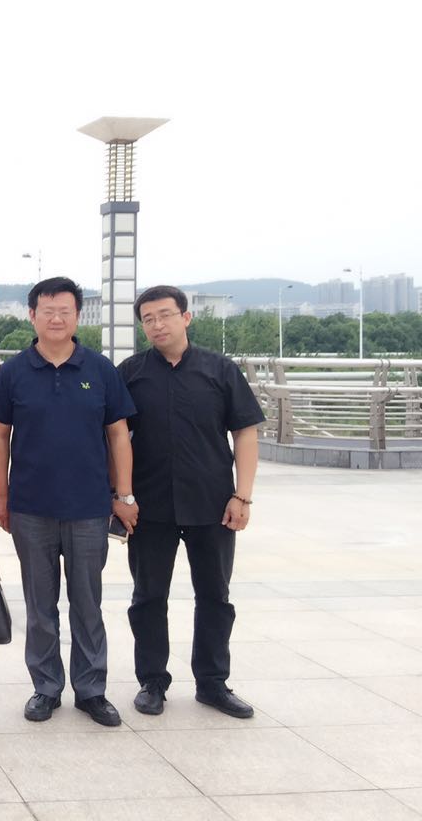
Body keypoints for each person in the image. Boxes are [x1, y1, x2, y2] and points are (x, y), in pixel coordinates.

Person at [0, 276, 137, 727]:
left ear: (77, 316)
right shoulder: (13, 372)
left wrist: (124, 495)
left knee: (88, 604)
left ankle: (92, 690)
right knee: (40, 606)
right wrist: (0, 497)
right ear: (32, 315)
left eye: (65, 311)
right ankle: (46, 688)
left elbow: (119, 435)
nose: (56, 319)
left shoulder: (100, 369)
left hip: (89, 508)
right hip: (30, 507)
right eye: (47, 311)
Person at [120, 285, 265, 719]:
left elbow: (245, 432)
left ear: (186, 317)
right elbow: (113, 437)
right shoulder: (130, 373)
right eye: (148, 319)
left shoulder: (220, 370)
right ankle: (152, 682)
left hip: (212, 503)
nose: (157, 325)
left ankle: (213, 683)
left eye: (165, 315)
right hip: (150, 506)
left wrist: (243, 495)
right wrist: (120, 496)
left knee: (215, 596)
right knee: (148, 597)